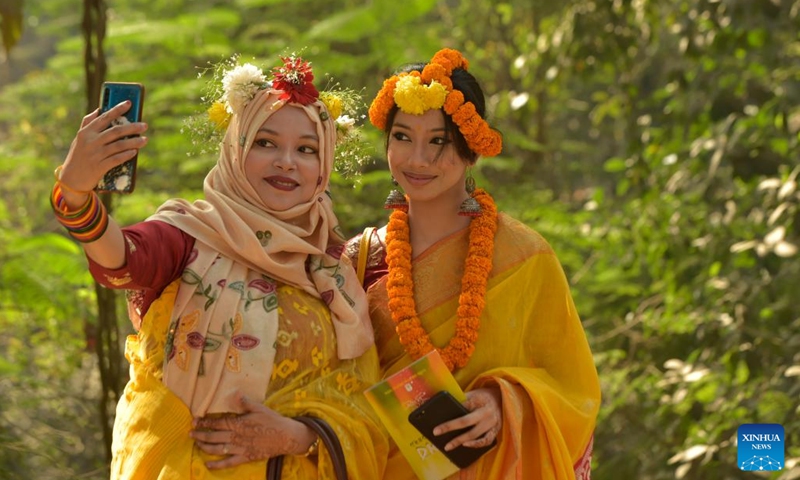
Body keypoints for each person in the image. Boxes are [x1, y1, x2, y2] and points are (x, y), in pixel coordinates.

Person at [51, 55, 388, 479]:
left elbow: (365, 407)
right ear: (236, 148)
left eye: (306, 149)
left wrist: (299, 436)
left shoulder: (337, 271)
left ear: (323, 166)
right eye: (265, 142)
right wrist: (76, 195)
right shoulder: (190, 235)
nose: (286, 161)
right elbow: (123, 259)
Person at [345, 48, 601, 479]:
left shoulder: (525, 257)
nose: (417, 159)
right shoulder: (360, 259)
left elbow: (574, 391)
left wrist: (504, 403)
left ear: (472, 149)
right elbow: (333, 390)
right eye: (402, 137)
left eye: (438, 142)